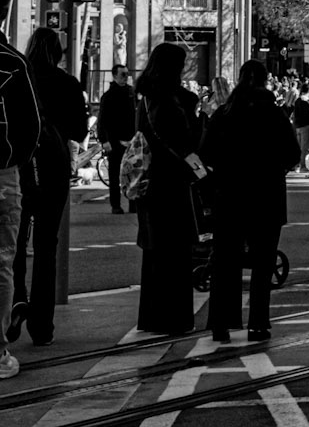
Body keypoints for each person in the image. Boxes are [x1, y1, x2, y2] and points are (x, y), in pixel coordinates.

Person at [200, 59, 298, 342]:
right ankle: (258, 323)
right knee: (263, 262)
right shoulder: (274, 113)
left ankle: (221, 323)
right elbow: (292, 153)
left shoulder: (225, 113)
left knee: (225, 260)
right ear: (266, 80)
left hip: (230, 194)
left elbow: (205, 152)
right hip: (266, 194)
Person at [11, 28, 87, 346]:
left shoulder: (21, 76)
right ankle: (42, 325)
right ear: (58, 53)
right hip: (53, 167)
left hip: (20, 166)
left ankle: (16, 298)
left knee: (13, 241)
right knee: (46, 246)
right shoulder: (67, 83)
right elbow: (79, 130)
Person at [134, 41, 207, 336]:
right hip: (172, 182)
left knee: (155, 252)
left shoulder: (146, 98)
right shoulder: (172, 102)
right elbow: (187, 141)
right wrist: (200, 114)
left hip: (149, 182)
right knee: (176, 252)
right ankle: (174, 318)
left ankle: (151, 317)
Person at [0, 0, 42, 375]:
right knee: (1, 262)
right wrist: (14, 159)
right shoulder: (12, 63)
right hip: (3, 174)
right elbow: (31, 127)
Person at [96, 63, 137, 214]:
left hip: (130, 139)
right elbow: (102, 120)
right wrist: (104, 140)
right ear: (114, 76)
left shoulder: (131, 93)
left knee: (133, 173)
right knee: (114, 174)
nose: (126, 77)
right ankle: (116, 205)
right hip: (115, 140)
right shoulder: (108, 96)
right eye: (122, 74)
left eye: (127, 74)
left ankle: (133, 203)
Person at [289, 85, 309, 170]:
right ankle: (302, 166)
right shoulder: (306, 101)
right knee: (304, 148)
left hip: (298, 126)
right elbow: (308, 115)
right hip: (306, 126)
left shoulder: (298, 100)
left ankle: (296, 165)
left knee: (299, 147)